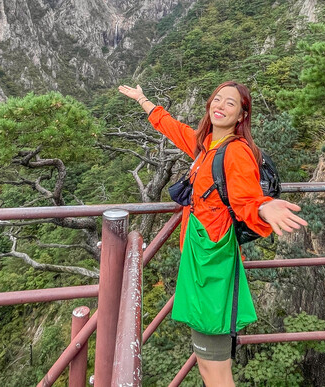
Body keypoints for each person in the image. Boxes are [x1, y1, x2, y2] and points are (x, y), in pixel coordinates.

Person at [118, 81, 308, 387]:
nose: (219, 106)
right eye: (216, 99)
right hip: (199, 257)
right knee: (206, 366)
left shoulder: (235, 152)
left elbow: (246, 198)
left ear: (241, 115)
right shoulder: (206, 144)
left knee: (216, 370)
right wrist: (143, 100)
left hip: (213, 264)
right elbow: (172, 127)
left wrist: (264, 208)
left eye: (230, 103)